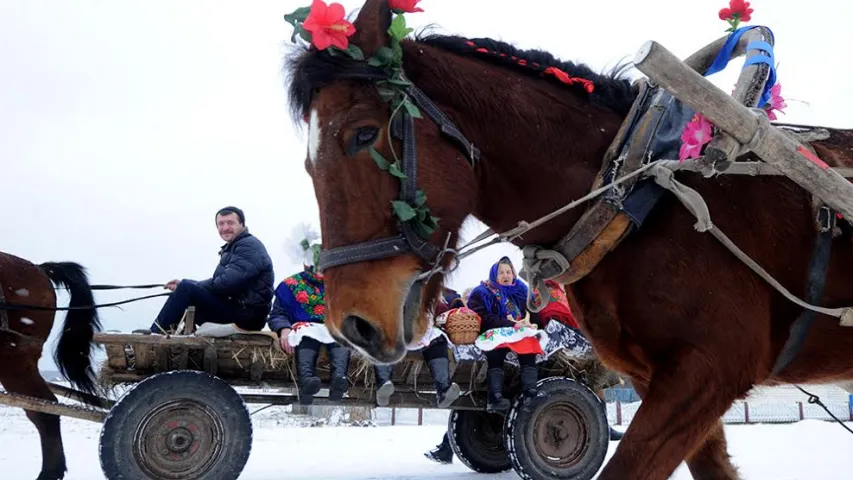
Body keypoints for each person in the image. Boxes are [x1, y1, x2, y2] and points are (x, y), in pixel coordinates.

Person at [267, 226, 394, 406]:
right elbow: (278, 314)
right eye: (317, 266)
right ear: (307, 264)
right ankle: (307, 381)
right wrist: (284, 329)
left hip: (335, 328)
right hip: (305, 329)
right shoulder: (291, 285)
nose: (322, 272)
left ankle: (339, 380)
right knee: (305, 335)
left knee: (340, 334)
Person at [149, 206, 274, 334]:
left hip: (247, 316)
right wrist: (185, 284)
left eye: (230, 223)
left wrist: (189, 286)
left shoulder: (248, 246)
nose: (225, 228)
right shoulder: (235, 246)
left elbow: (227, 284)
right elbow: (220, 283)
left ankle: (153, 335)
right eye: (221, 224)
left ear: (242, 224)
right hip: (239, 310)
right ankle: (171, 337)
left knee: (186, 289)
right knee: (185, 288)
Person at [530, 279, 624, 441]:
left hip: (572, 340)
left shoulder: (565, 292)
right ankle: (597, 424)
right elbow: (541, 315)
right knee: (602, 357)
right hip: (556, 342)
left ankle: (602, 425)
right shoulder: (540, 290)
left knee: (604, 359)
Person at [469, 256, 546, 413]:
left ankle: (530, 393)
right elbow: (481, 317)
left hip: (519, 331)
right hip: (495, 330)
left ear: (513, 274)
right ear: (494, 276)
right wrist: (510, 324)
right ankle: (495, 397)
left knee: (528, 345)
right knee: (495, 350)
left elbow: (533, 313)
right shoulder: (483, 292)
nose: (505, 276)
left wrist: (531, 322)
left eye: (508, 272)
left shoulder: (522, 291)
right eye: (501, 272)